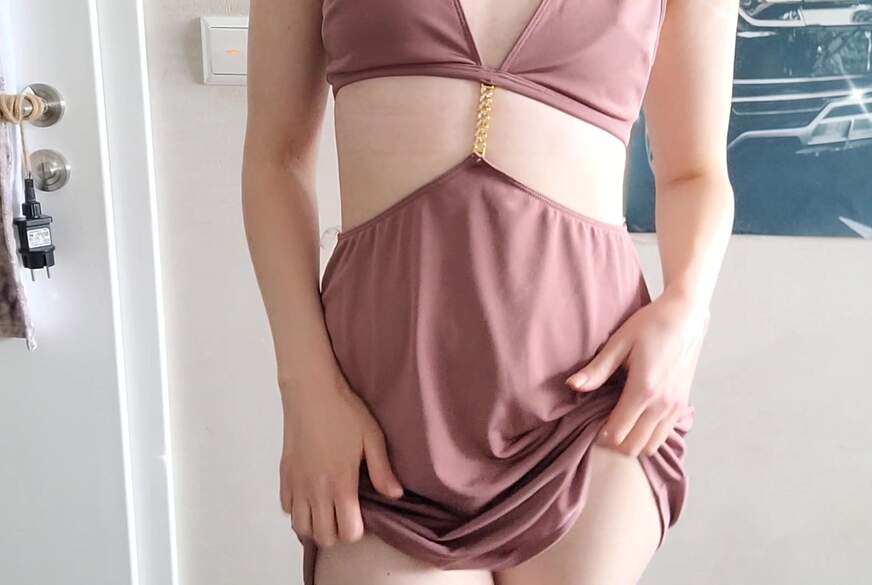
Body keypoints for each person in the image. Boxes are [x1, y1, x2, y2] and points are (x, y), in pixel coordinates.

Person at [241, 0, 738, 583]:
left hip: (590, 406)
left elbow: (695, 173)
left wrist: (687, 309)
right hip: (379, 418)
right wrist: (306, 390)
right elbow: (275, 162)